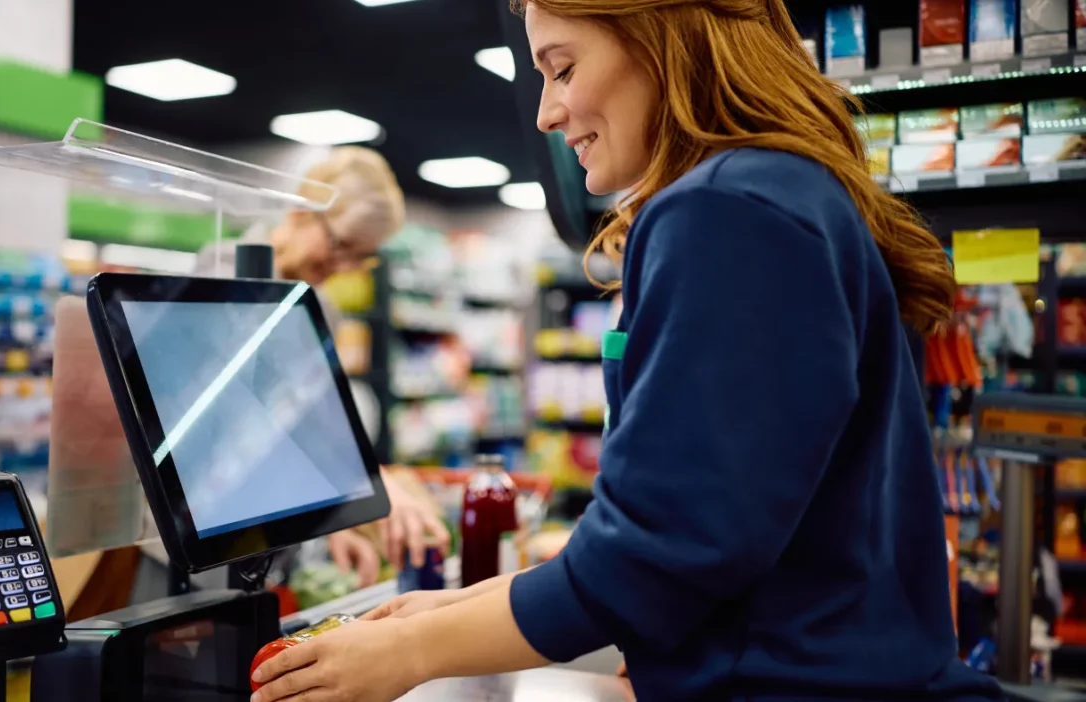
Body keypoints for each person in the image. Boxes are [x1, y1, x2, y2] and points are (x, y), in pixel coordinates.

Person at [249, 2, 1007, 701]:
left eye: (563, 67)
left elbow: (659, 557)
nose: (548, 112)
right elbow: (708, 527)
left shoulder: (723, 210)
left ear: (657, 38)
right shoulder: (785, 192)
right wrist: (451, 609)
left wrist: (409, 655)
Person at [197, 146, 449, 587]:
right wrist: (356, 485)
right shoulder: (222, 269)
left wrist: (335, 518)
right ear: (300, 212)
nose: (345, 266)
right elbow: (248, 418)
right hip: (198, 537)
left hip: (266, 537)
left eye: (361, 257)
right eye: (342, 245)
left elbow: (315, 422)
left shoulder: (323, 308)